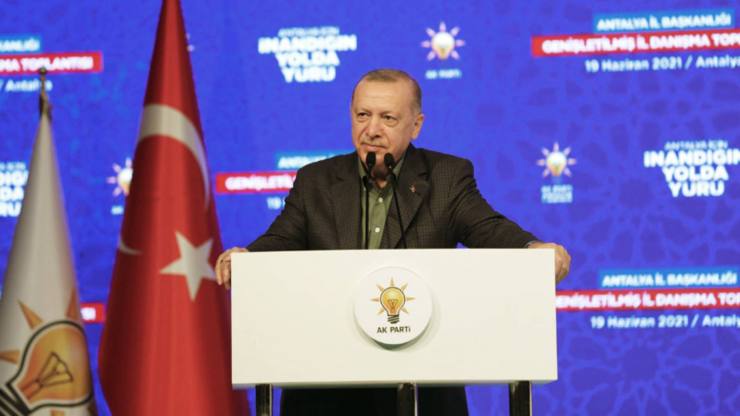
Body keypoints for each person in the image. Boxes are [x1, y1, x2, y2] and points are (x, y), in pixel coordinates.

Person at [216, 69, 571, 416]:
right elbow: (282, 238)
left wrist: (532, 250)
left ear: (415, 125)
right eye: (362, 115)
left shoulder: (446, 178)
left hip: (424, 386)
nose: (372, 130)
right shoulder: (316, 181)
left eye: (387, 118)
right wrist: (246, 259)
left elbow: (488, 228)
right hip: (326, 389)